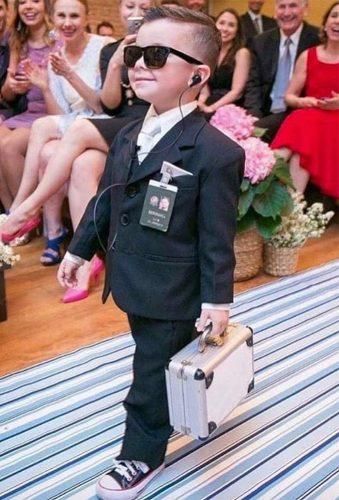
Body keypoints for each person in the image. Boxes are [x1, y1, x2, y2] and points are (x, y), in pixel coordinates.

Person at [57, 6, 244, 499]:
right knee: (151, 355)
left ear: (198, 75)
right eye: (136, 52)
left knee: (149, 370)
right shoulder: (129, 134)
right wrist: (79, 252)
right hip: (134, 280)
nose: (139, 63)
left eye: (157, 56)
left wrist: (216, 301)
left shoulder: (216, 152)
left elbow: (216, 235)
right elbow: (106, 201)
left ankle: (140, 453)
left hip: (175, 290)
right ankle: (169, 410)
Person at [0, 0, 152, 302]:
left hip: (146, 124)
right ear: (120, 11)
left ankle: (25, 210)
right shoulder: (113, 50)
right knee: (82, 165)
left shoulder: (163, 44)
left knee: (79, 128)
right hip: (117, 125)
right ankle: (84, 258)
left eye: (143, 6)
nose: (135, 13)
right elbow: (108, 104)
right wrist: (117, 63)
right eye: (129, 6)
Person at [271, 2, 339, 199]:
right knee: (303, 122)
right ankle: (293, 203)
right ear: (325, 23)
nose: (338, 21)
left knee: (304, 124)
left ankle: (264, 171)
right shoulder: (308, 55)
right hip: (312, 114)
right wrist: (304, 101)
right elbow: (289, 96)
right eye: (334, 16)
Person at [0, 0, 53, 212]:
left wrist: (42, 80)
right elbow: (7, 93)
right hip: (27, 112)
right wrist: (12, 86)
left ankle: (26, 214)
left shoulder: (57, 39)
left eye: (35, 1)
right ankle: (9, 210)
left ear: (47, 6)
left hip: (49, 112)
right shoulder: (18, 41)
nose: (28, 7)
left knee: (9, 146)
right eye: (23, 2)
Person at [243, 0, 319, 142]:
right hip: (265, 112)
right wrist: (253, 117)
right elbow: (253, 85)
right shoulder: (260, 42)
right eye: (282, 6)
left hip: (300, 112)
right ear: (275, 11)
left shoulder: (318, 40)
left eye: (293, 6)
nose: (286, 12)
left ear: (305, 9)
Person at [198, 8, 251, 114]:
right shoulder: (209, 51)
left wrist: (211, 108)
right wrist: (200, 104)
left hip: (230, 106)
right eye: (221, 23)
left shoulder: (242, 53)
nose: (225, 28)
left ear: (237, 32)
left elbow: (237, 92)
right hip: (210, 102)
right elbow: (204, 89)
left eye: (231, 25)